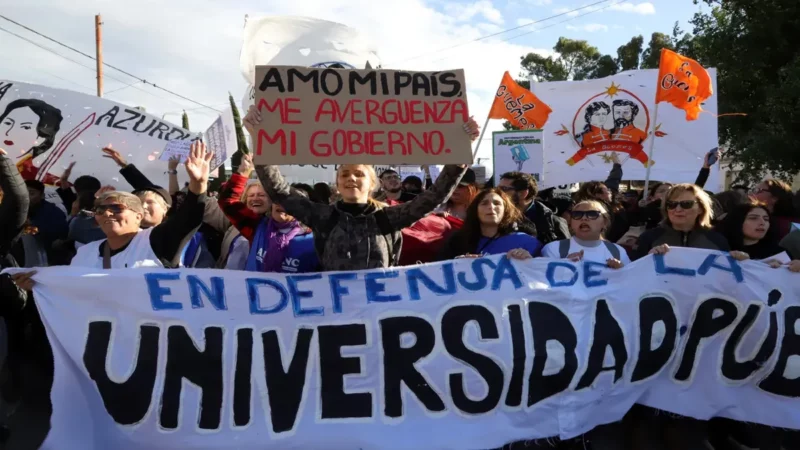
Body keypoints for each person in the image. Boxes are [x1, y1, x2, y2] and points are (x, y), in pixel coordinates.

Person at [242, 105, 479, 271]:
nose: (351, 178)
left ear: (371, 183)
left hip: (377, 314)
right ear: (337, 183)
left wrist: (458, 159)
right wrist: (258, 139)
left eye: (359, 174)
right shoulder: (322, 216)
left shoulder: (388, 218)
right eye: (345, 174)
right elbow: (280, 191)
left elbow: (432, 198)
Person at [11, 142, 211, 276]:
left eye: (116, 208)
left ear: (137, 215)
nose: (107, 213)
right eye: (100, 209)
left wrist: (199, 185)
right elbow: (71, 288)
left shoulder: (157, 241)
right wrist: (36, 284)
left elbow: (189, 219)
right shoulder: (85, 254)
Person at [219, 156, 317, 273]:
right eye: (278, 200)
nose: (282, 205)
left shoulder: (315, 240)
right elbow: (228, 203)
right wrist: (243, 173)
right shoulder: (257, 227)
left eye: (290, 203)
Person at [632, 183, 731, 260]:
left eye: (686, 204)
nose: (678, 209)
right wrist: (647, 260)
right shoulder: (648, 238)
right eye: (671, 204)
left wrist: (741, 260)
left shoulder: (717, 241)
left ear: (700, 208)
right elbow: (633, 274)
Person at [439, 188, 541, 260]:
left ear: (506, 210)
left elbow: (544, 277)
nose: (491, 207)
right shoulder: (457, 241)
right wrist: (456, 263)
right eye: (484, 203)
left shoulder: (526, 242)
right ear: (475, 210)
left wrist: (530, 261)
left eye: (497, 203)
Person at [542, 200, 630, 268]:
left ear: (605, 222)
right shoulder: (554, 249)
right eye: (577, 214)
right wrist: (564, 265)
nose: (584, 218)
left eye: (592, 214)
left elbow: (631, 282)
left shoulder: (617, 251)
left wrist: (621, 271)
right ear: (571, 222)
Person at [0, 99, 63, 184]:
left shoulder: (46, 182)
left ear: (42, 138)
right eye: (7, 123)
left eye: (25, 127)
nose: (9, 132)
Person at [497, 171, 570, 244]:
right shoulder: (495, 217)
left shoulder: (553, 222)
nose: (497, 193)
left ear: (523, 193)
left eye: (504, 189)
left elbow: (564, 252)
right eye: (497, 188)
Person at [715, 200, 784, 260]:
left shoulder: (779, 254)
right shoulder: (716, 248)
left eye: (766, 219)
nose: (762, 223)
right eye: (753, 218)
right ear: (737, 221)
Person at [23, 179, 68, 265]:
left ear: (42, 196)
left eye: (31, 193)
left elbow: (48, 236)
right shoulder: (16, 210)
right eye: (23, 193)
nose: (26, 197)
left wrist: (27, 227)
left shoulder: (53, 213)